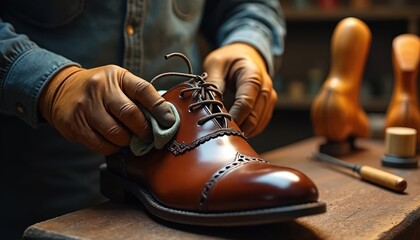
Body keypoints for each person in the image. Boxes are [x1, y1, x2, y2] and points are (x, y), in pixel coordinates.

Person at [0, 0, 285, 238]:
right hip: (31, 188)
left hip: (184, 171)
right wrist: (51, 84)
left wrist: (248, 44)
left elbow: (247, 5)